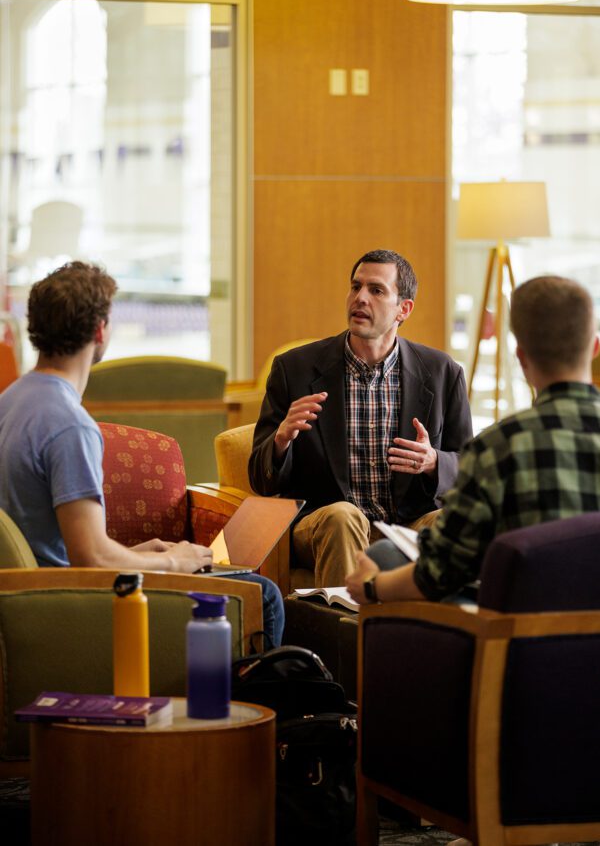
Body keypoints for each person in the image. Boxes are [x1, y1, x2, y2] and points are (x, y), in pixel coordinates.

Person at [0, 262, 284, 645]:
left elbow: (65, 545)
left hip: (27, 597)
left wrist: (137, 555)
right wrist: (172, 562)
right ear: (100, 330)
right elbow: (92, 562)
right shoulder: (70, 425)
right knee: (263, 594)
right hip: (65, 607)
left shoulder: (10, 402)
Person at [346, 274, 600, 606]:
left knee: (385, 555)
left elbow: (439, 574)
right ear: (595, 346)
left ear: (521, 356)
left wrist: (370, 588)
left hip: (526, 648)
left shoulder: (498, 447)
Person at [249, 249, 472, 586]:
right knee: (344, 516)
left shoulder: (443, 373)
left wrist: (433, 462)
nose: (360, 298)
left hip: (407, 524)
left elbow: (470, 469)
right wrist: (281, 440)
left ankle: (440, 634)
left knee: (456, 523)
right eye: (355, 287)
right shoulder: (293, 369)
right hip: (325, 523)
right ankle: (344, 633)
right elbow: (259, 478)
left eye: (376, 290)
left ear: (404, 309)